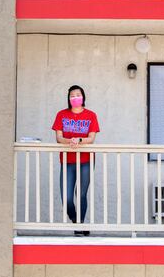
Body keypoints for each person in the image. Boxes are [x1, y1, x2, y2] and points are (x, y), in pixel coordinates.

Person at [51, 84, 100, 236]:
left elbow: (91, 138)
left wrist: (78, 139)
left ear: (83, 97)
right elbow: (59, 137)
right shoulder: (61, 114)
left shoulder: (91, 115)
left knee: (82, 194)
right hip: (67, 161)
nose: (75, 98)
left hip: (86, 160)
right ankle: (75, 220)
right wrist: (70, 141)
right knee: (66, 197)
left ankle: (79, 225)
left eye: (78, 95)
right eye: (72, 96)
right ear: (69, 99)